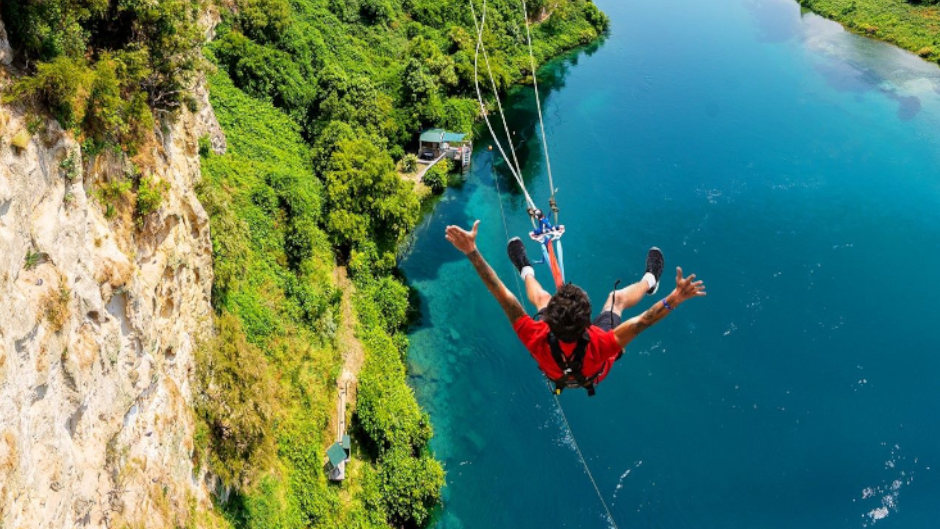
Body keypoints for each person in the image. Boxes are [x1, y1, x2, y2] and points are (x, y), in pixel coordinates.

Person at [444, 220, 706, 396]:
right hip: (592, 372)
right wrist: (675, 297)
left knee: (543, 298)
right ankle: (651, 281)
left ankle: (525, 268)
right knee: (616, 299)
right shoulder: (602, 342)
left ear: (550, 323)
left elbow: (503, 294)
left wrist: (472, 251)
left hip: (558, 371)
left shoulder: (535, 335)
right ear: (588, 323)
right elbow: (642, 321)